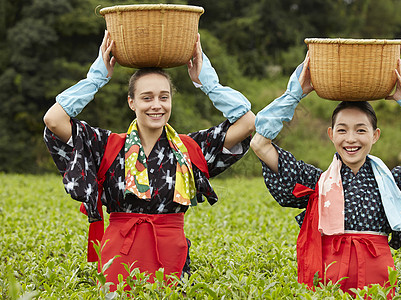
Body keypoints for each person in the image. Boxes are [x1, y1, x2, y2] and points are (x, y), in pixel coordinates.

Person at [43, 31, 255, 291]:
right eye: (147, 97)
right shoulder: (107, 146)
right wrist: (96, 78)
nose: (157, 105)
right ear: (131, 102)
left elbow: (247, 123)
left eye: (164, 97)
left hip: (171, 259)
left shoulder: (189, 148)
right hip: (118, 258)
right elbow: (54, 120)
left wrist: (207, 82)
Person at [250, 53, 401, 297]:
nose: (351, 139)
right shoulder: (316, 182)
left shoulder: (393, 183)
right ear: (331, 134)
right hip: (329, 274)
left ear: (375, 135)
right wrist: (293, 95)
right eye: (342, 130)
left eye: (361, 130)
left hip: (378, 276)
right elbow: (260, 145)